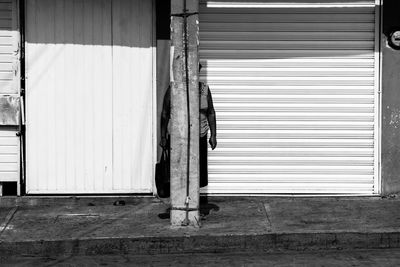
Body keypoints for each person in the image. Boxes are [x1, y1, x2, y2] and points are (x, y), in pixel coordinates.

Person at [160, 63, 217, 190]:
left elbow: (211, 112)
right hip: (178, 137)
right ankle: (180, 201)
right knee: (179, 173)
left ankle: (193, 202)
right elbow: (165, 113)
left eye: (196, 71)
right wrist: (163, 136)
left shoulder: (204, 89)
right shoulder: (174, 88)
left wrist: (214, 135)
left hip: (199, 135)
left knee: (197, 172)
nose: (193, 75)